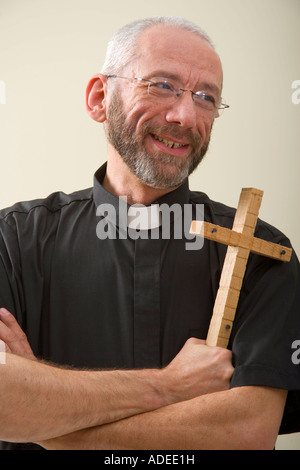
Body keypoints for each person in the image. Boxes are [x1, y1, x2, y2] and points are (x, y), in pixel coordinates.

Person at [0, 16, 299, 450]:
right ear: (100, 98)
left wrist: (49, 423)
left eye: (206, 97)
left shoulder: (264, 253)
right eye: (162, 85)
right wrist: (171, 385)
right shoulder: (12, 240)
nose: (186, 116)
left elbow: (246, 432)